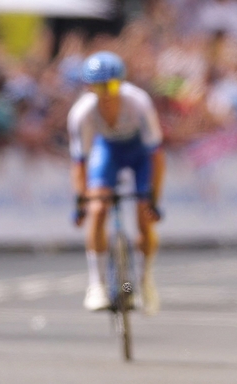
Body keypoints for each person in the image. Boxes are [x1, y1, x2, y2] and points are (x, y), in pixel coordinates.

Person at [67, 51, 165, 316]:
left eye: (111, 86)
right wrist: (81, 202)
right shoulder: (81, 113)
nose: (106, 95)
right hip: (107, 151)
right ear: (89, 88)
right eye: (98, 88)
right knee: (98, 209)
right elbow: (80, 163)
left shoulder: (139, 103)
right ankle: (97, 284)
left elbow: (157, 157)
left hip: (139, 154)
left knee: (144, 218)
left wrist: (153, 199)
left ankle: (144, 282)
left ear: (121, 84)